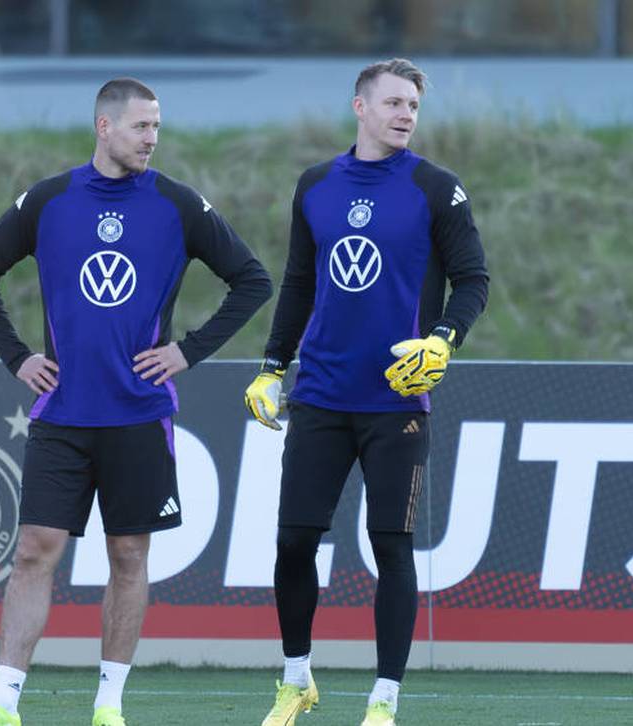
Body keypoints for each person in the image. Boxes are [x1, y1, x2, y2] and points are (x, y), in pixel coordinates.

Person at [0, 77, 272, 726]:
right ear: (104, 127)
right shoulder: (49, 200)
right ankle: (2, 705)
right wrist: (18, 357)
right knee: (34, 550)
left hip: (138, 416)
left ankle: (108, 707)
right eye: (140, 127)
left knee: (128, 556)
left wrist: (189, 349)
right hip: (62, 415)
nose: (152, 138)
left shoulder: (177, 205)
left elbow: (252, 279)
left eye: (157, 127)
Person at [244, 58, 489, 726]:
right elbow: (299, 282)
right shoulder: (316, 185)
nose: (406, 114)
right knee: (294, 543)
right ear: (360, 107)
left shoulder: (437, 189)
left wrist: (442, 339)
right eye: (393, 103)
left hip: (396, 403)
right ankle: (297, 681)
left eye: (413, 104)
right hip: (320, 394)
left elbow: (472, 280)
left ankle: (384, 699)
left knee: (391, 549)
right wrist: (272, 366)